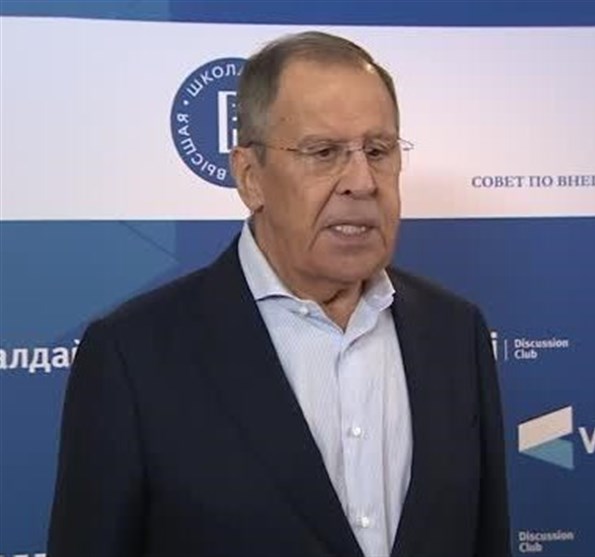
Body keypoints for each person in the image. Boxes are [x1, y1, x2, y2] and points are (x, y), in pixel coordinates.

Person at [47, 31, 510, 557]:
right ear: (250, 177)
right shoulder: (133, 356)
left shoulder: (454, 333)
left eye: (378, 151)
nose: (362, 182)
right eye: (324, 152)